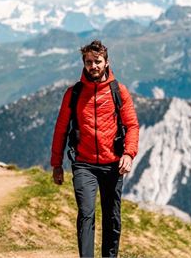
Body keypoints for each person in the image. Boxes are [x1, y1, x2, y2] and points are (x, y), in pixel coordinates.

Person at [50, 40, 139, 258]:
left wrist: (128, 153)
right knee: (86, 214)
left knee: (112, 216)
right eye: (89, 62)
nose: (93, 66)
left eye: (97, 61)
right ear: (84, 63)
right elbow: (61, 129)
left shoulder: (119, 91)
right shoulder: (73, 93)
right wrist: (56, 164)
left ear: (106, 62)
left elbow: (132, 125)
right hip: (84, 164)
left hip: (113, 164)